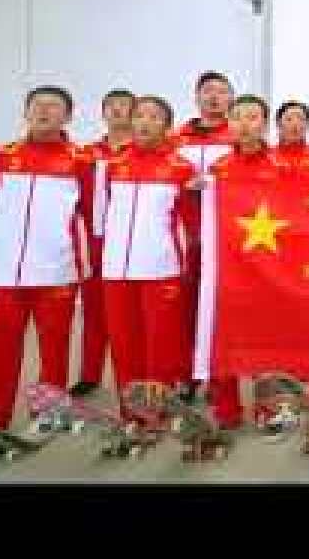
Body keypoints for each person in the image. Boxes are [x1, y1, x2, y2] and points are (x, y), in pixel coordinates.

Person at [0, 86, 94, 463]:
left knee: (53, 348)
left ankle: (49, 413)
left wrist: (77, 263)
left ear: (68, 117)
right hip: (8, 271)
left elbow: (90, 213)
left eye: (54, 106)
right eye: (37, 105)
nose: (44, 111)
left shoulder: (82, 160)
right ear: (26, 112)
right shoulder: (5, 155)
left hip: (56, 271)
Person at [99, 96, 200, 427]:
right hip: (116, 270)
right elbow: (100, 218)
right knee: (124, 343)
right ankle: (131, 412)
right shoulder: (112, 164)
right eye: (140, 115)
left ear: (167, 126)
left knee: (160, 344)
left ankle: (157, 410)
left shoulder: (181, 167)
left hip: (161, 268)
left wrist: (181, 265)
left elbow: (191, 223)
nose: (145, 122)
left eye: (155, 116)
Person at [206, 94, 285, 430]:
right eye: (238, 117)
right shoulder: (218, 168)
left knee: (268, 338)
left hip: (269, 267)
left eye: (253, 117)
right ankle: (227, 408)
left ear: (264, 124)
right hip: (228, 265)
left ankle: (269, 408)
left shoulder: (281, 166)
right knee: (225, 334)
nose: (244, 124)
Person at [171, 72, 240, 423]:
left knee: (217, 309)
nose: (214, 97)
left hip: (223, 239)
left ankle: (217, 375)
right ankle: (185, 375)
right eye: (208, 91)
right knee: (182, 309)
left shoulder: (238, 137)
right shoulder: (174, 139)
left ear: (231, 99)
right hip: (183, 236)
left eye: (221, 92)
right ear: (196, 97)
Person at [70, 88, 135, 398]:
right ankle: (89, 373)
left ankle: (140, 377)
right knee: (94, 309)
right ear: (103, 112)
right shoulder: (85, 154)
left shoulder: (144, 152)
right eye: (112, 106)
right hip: (95, 240)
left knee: (131, 314)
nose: (118, 111)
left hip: (133, 241)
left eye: (125, 106)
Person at [270, 100, 309, 179]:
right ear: (278, 124)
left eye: (301, 119)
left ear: (307, 124)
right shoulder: (268, 157)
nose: (295, 124)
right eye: (289, 119)